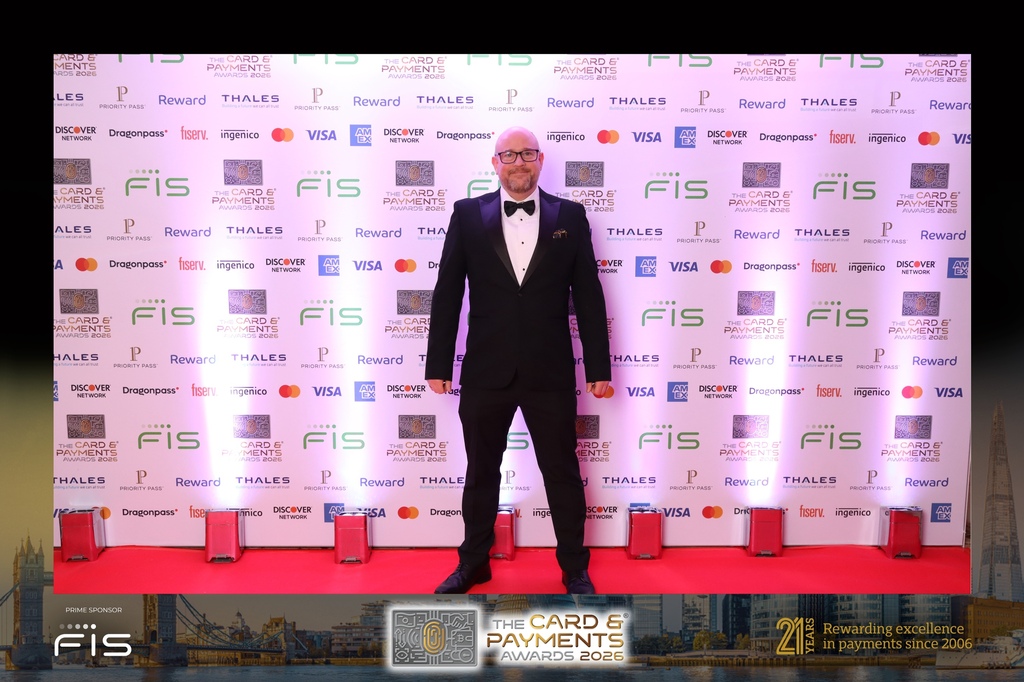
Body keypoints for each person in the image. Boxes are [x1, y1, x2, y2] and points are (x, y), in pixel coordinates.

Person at [425, 126, 611, 594]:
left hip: (550, 369)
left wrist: (598, 368)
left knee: (562, 474)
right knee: (480, 474)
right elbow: (447, 292)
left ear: (540, 160)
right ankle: (473, 563)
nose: (518, 162)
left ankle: (574, 568)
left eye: (527, 153)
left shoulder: (571, 215)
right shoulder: (467, 214)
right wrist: (438, 364)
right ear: (495, 163)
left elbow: (589, 295)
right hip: (486, 369)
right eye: (508, 155)